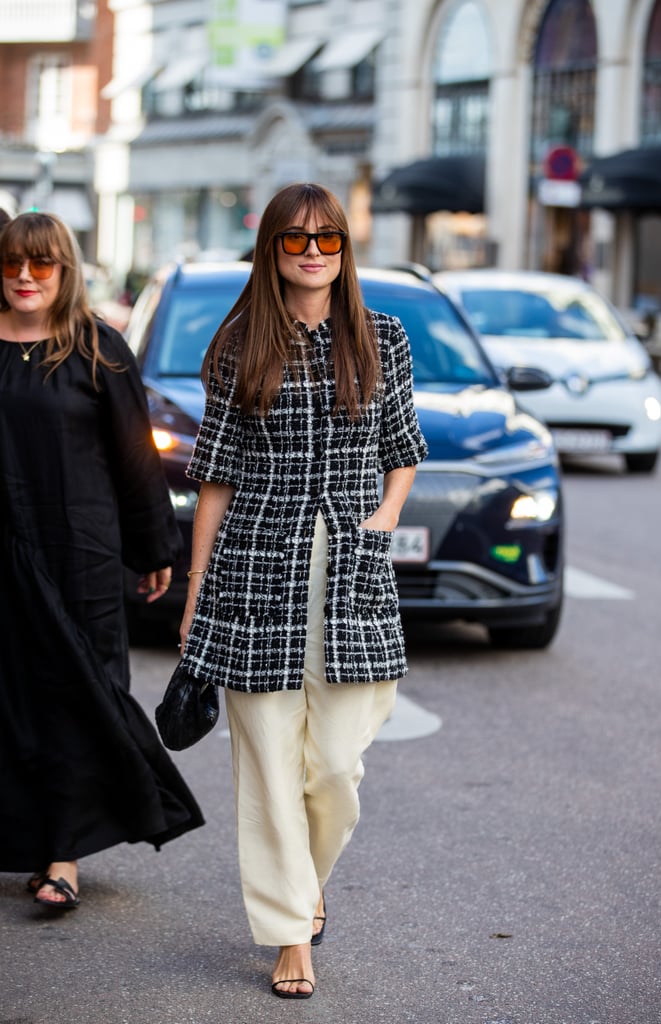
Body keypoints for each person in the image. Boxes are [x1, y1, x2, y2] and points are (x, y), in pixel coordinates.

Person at [179, 182, 428, 999]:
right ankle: (292, 932)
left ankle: (304, 880)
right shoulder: (238, 343)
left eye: (328, 239)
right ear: (272, 249)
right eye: (296, 240)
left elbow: (402, 447)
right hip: (255, 567)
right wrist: (193, 596)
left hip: (352, 571)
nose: (314, 252)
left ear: (345, 250)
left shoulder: (382, 337)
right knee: (270, 770)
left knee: (334, 770)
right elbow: (213, 479)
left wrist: (382, 520)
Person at [0, 212, 204, 910]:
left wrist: (154, 548)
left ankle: (64, 855)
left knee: (77, 697)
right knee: (11, 700)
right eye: (12, 264)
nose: (26, 277)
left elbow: (135, 458)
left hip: (81, 554)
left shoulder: (99, 350)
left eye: (42, 264)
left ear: (65, 270)